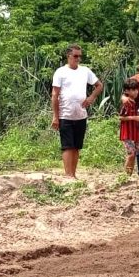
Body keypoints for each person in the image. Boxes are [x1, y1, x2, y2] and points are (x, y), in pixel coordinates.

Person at [51, 44, 103, 179]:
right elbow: (55, 95)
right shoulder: (60, 72)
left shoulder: (85, 71)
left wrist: (91, 97)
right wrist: (55, 117)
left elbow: (99, 85)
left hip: (81, 115)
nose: (78, 58)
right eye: (75, 56)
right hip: (65, 114)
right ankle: (68, 175)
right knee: (67, 146)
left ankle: (73, 174)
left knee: (76, 146)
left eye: (80, 56)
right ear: (68, 56)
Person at [119, 78, 139, 176]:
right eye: (132, 90)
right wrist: (134, 118)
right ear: (126, 91)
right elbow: (120, 117)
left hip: (135, 131)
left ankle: (129, 175)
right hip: (127, 132)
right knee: (131, 154)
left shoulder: (134, 101)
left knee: (134, 154)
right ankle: (125, 176)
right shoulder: (126, 102)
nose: (135, 92)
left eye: (136, 89)